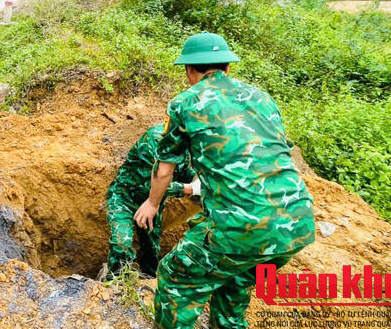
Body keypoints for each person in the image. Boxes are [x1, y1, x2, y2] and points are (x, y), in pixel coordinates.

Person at [134, 32, 315, 329]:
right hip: (297, 224)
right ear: (228, 67)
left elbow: (164, 168)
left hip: (241, 228)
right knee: (234, 288)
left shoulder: (186, 102)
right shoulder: (262, 98)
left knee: (176, 279)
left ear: (189, 70)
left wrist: (153, 204)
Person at [105, 125, 200, 279]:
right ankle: (114, 286)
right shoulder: (156, 141)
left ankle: (148, 283)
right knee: (121, 244)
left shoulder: (186, 146)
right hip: (124, 198)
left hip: (153, 206)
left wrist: (199, 182)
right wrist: (189, 188)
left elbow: (187, 172)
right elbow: (157, 183)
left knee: (151, 251)